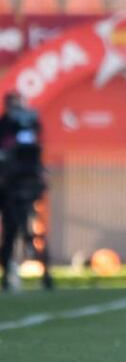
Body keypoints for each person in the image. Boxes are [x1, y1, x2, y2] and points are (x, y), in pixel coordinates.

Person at [0, 91, 52, 291]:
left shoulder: (30, 124)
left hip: (25, 184)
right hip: (9, 188)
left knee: (30, 232)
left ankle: (44, 274)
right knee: (11, 232)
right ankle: (8, 274)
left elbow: (34, 147)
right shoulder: (5, 126)